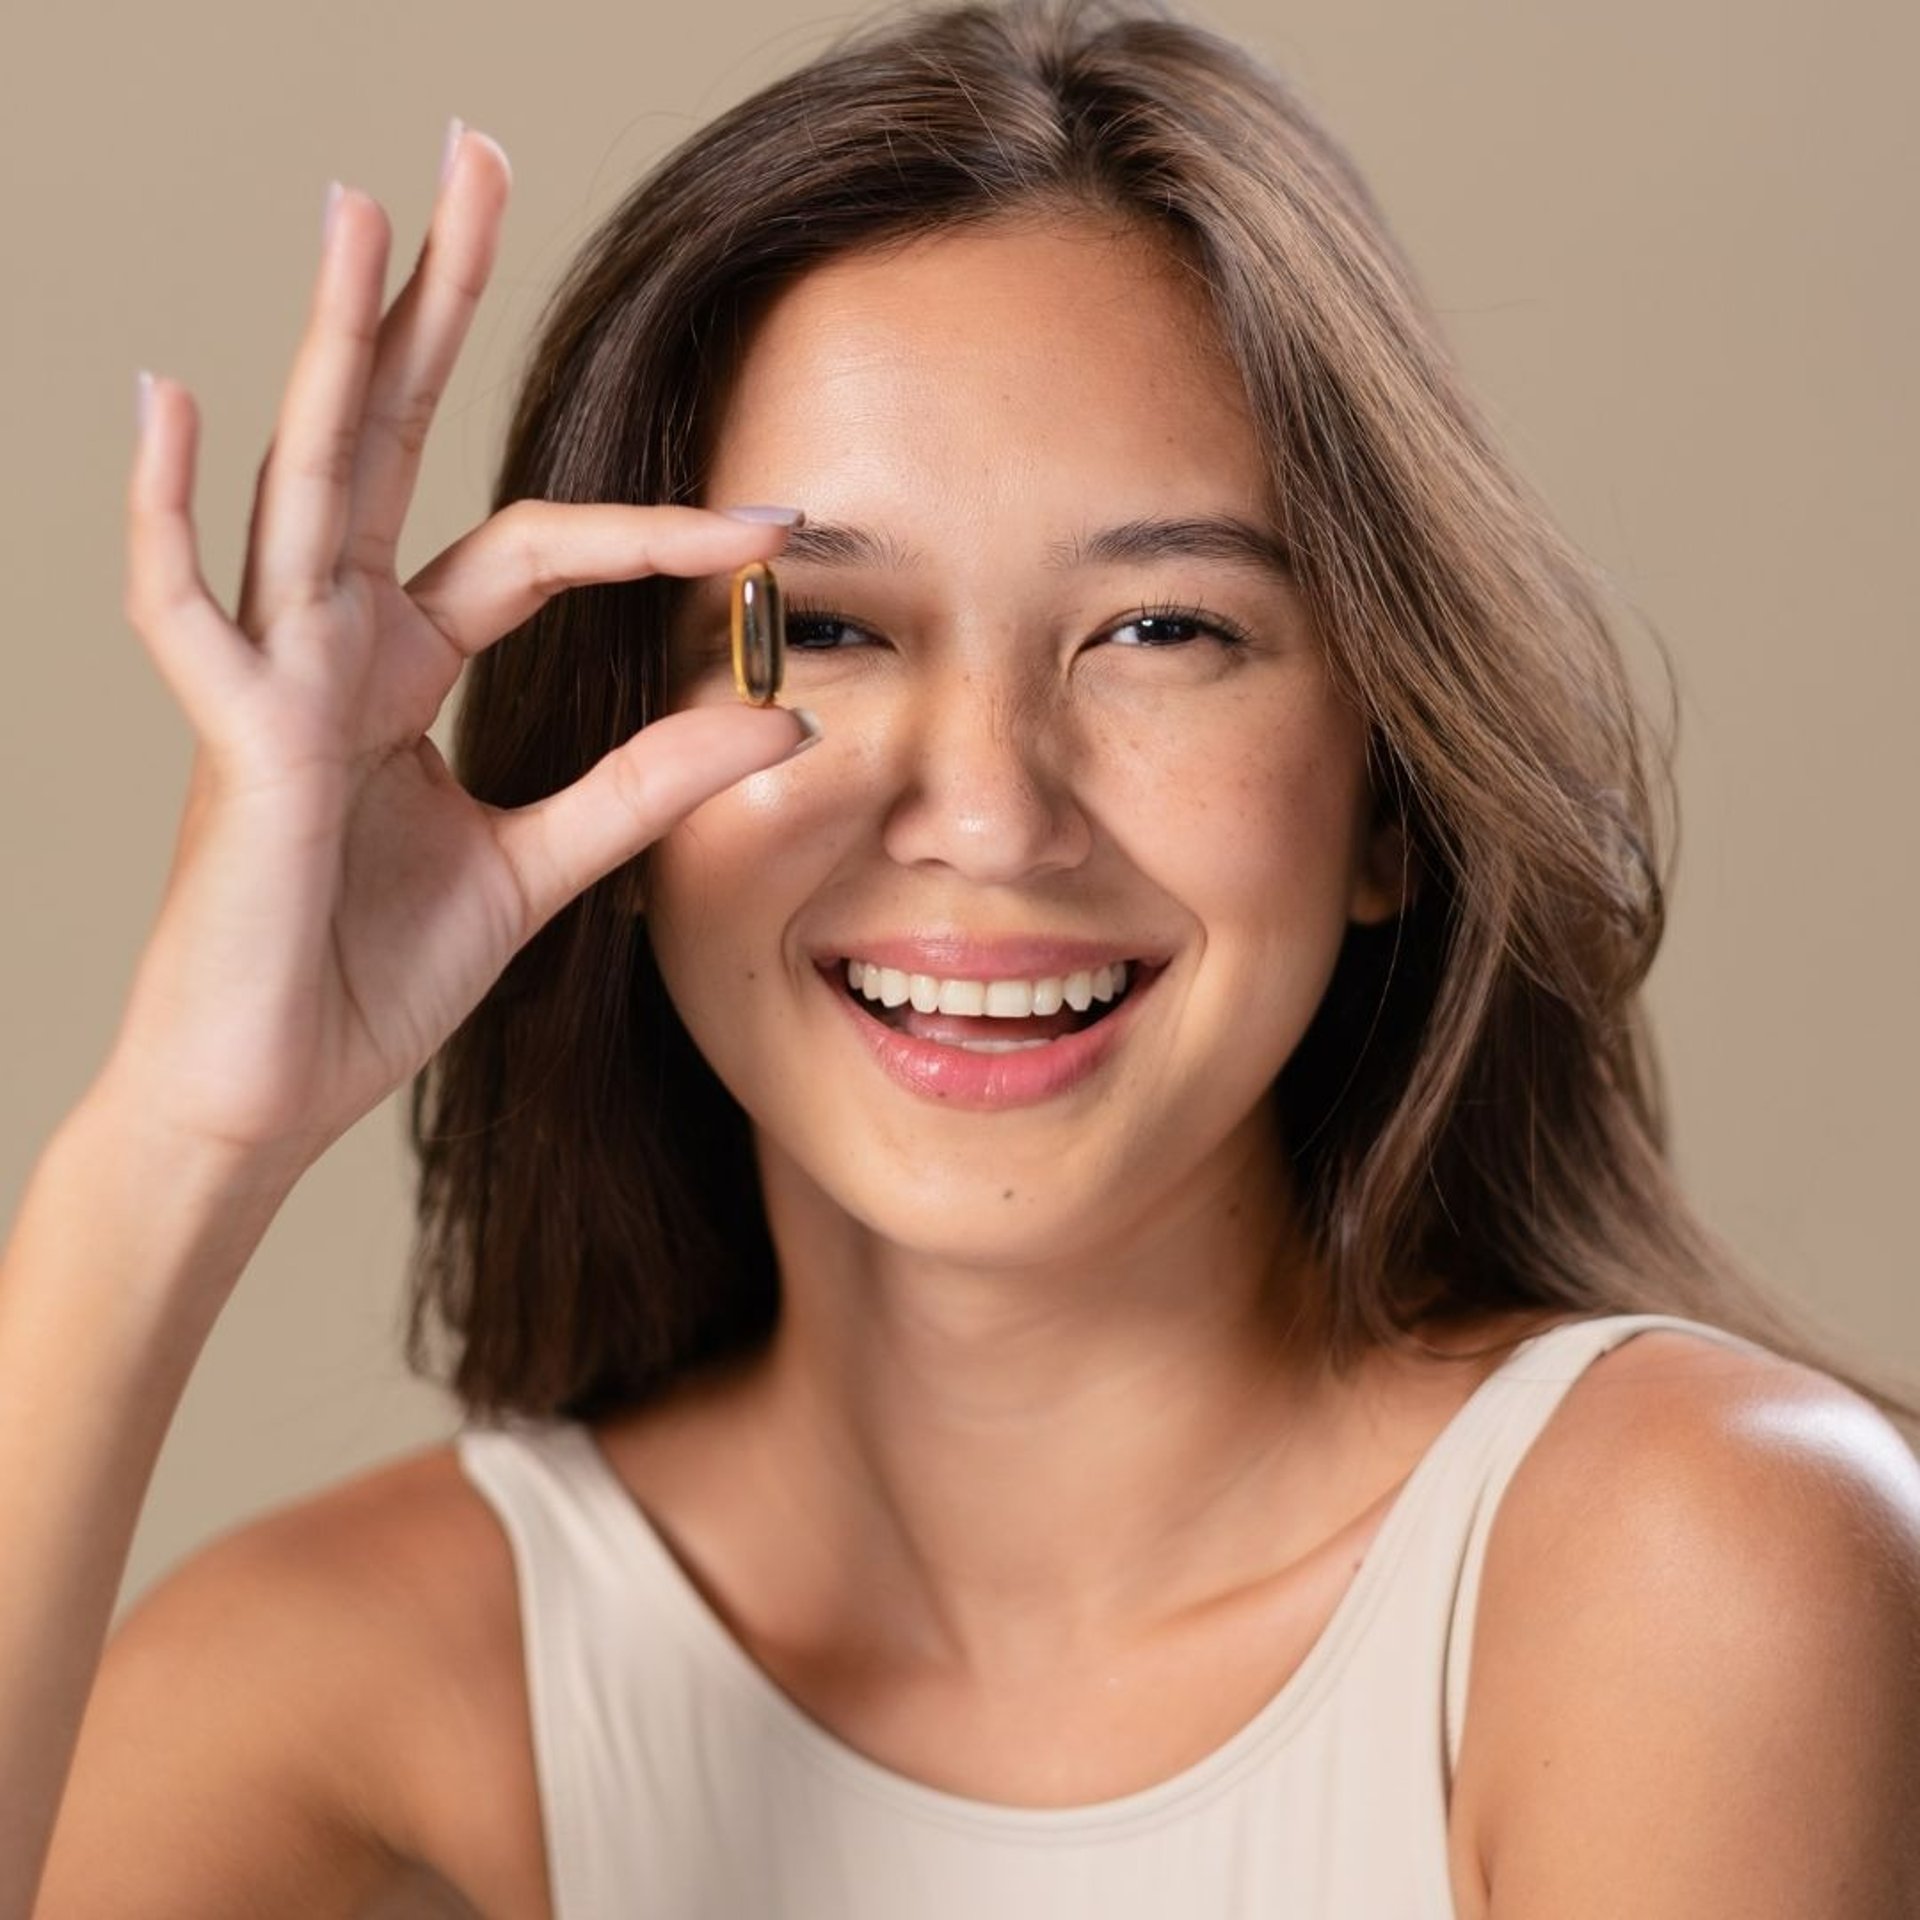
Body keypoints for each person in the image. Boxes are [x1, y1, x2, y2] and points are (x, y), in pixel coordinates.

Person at [5, 0, 1918, 1912]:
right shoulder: (342, 1693)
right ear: (618, 766)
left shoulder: (1696, 1566)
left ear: (1387, 802)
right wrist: (180, 1140)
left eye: (1163, 630)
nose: (992, 815)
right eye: (819, 632)